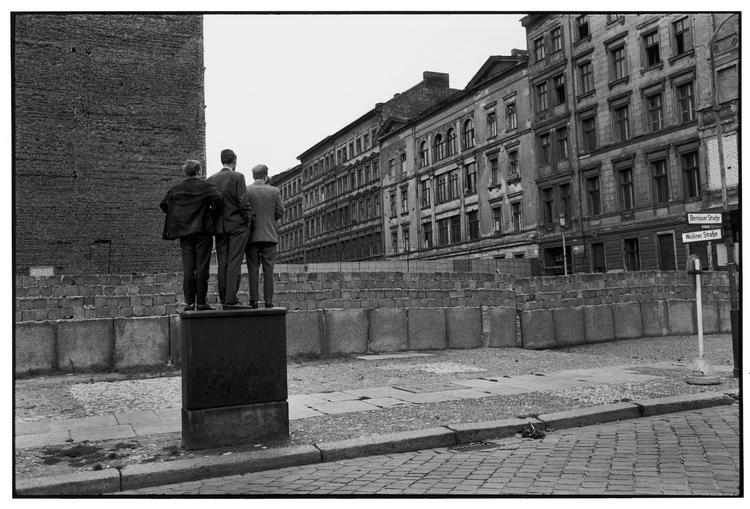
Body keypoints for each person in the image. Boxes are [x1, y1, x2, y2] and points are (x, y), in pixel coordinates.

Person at [160, 160, 222, 311]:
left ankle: (189, 302)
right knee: (202, 267)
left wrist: (179, 216)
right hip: (202, 231)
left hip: (185, 232)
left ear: (185, 173)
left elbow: (164, 204)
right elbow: (218, 198)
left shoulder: (176, 189)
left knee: (188, 267)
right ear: (199, 171)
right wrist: (209, 214)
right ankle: (201, 301)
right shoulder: (205, 186)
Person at [207, 149, 253, 309]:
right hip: (237, 226)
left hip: (220, 228)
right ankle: (232, 299)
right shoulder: (238, 176)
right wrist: (247, 220)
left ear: (222, 161)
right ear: (234, 161)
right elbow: (243, 202)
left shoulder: (211, 179)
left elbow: (211, 205)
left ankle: (224, 298)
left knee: (223, 263)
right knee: (235, 261)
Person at [245, 164, 285, 308]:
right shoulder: (274, 191)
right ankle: (268, 301)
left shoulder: (247, 190)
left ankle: (253, 301)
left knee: (253, 269)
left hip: (252, 237)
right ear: (266, 176)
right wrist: (269, 218)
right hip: (269, 236)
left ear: (253, 176)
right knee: (269, 270)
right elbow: (280, 211)